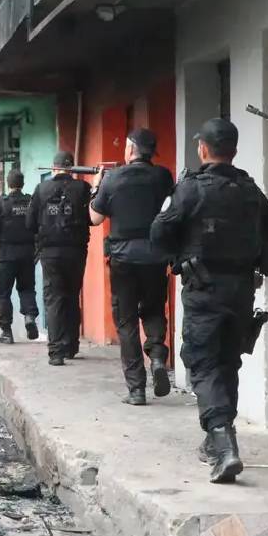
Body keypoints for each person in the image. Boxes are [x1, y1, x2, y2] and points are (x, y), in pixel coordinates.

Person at [151, 118, 268, 484]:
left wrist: (181, 248)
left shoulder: (190, 190)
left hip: (204, 292)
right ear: (233, 150)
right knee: (227, 362)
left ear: (203, 149)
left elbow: (158, 232)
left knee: (204, 365)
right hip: (241, 292)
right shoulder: (251, 191)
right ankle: (216, 439)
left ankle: (223, 443)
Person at [89, 128, 175, 405]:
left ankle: (136, 389)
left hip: (123, 259)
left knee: (126, 322)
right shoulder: (163, 176)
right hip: (155, 256)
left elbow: (94, 218)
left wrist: (96, 186)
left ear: (129, 149)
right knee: (153, 309)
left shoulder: (112, 179)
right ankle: (158, 354)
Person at [27, 151, 93, 366]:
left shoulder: (42, 189)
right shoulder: (82, 188)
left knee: (54, 298)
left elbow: (29, 222)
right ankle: (71, 346)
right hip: (76, 251)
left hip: (50, 253)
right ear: (72, 167)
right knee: (72, 296)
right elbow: (92, 218)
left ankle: (56, 352)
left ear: (54, 168)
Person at [0, 169, 40, 344]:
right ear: (22, 184)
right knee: (27, 288)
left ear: (8, 184)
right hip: (27, 254)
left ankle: (6, 332)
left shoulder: (1, 204)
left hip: (7, 255)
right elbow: (39, 226)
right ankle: (30, 317)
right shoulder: (31, 202)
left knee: (3, 292)